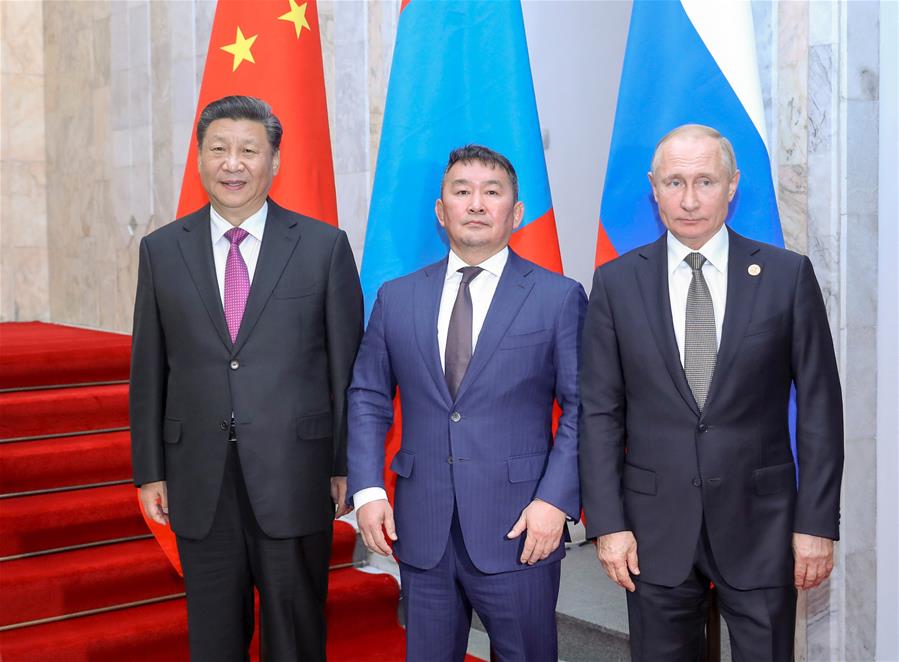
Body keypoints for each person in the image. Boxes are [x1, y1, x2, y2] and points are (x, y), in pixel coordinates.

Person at [579, 124, 844, 661]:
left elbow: (819, 406)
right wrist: (608, 524)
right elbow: (600, 414)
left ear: (732, 185)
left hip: (762, 524)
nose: (690, 199)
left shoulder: (785, 276)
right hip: (653, 531)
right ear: (654, 188)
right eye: (675, 182)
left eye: (705, 180)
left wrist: (815, 524)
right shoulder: (615, 283)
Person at [129, 95, 363, 661]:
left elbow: (348, 369)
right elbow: (148, 369)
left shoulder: (322, 246)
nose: (233, 163)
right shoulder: (162, 250)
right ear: (201, 158)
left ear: (274, 161)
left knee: (296, 633)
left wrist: (342, 463)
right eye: (219, 149)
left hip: (296, 473)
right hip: (198, 479)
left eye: (249, 150)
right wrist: (150, 471)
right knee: (213, 638)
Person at [347, 145, 585, 661]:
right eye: (462, 191)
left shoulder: (558, 296)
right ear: (441, 209)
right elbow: (367, 396)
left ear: (515, 213)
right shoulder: (397, 297)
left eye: (492, 192)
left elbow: (582, 408)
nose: (476, 204)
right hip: (423, 530)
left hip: (522, 528)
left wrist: (554, 502)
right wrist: (367, 491)